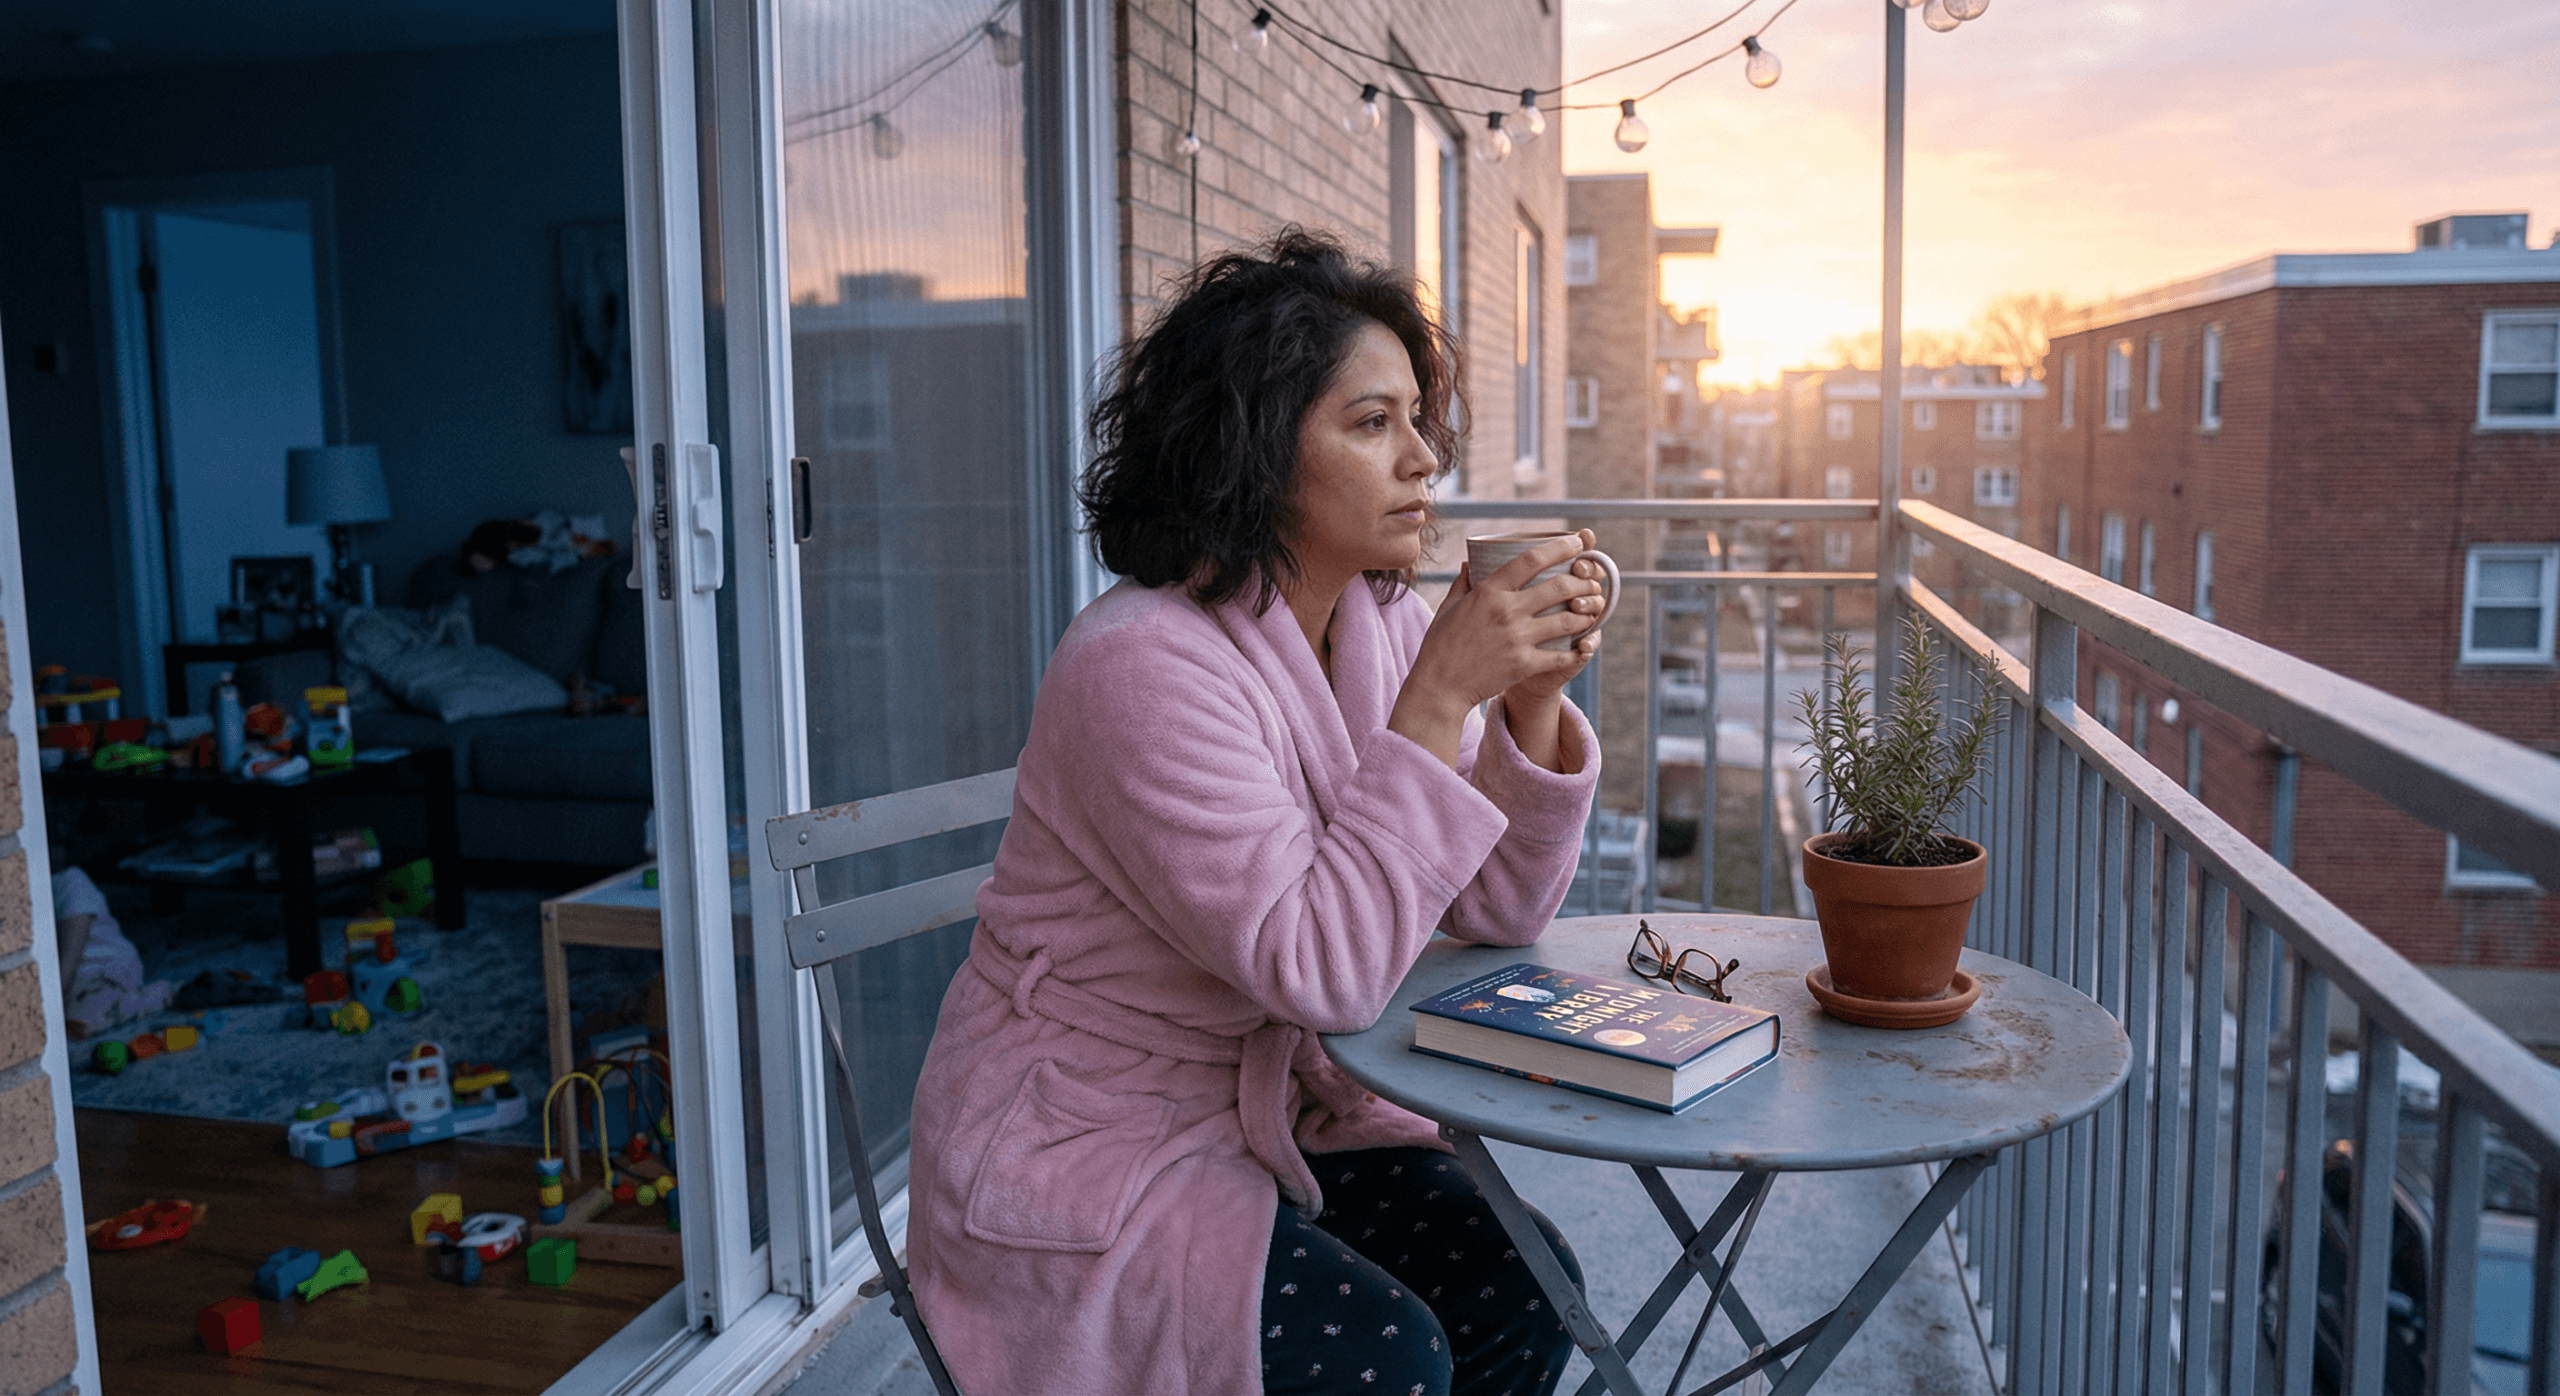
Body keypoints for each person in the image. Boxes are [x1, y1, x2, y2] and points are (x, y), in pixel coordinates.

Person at [904, 227, 1609, 1396]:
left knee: (1531, 1290)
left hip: (1283, 1112)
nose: (1425, 458)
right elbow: (1321, 972)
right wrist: (1442, 698)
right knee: (1386, 1358)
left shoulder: (1375, 625)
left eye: (1420, 419)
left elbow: (1493, 908)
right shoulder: (1138, 662)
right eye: (1373, 423)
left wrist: (1527, 705)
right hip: (1094, 1143)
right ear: (1252, 445)